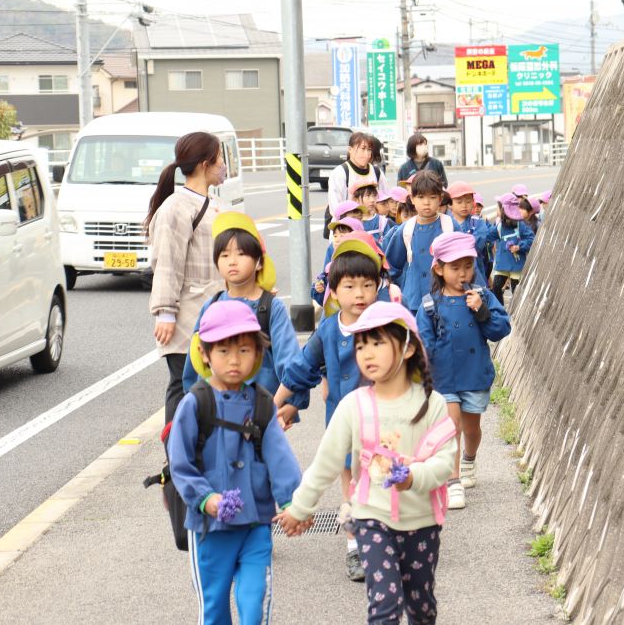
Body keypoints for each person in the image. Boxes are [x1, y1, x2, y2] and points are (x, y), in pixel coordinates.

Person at [274, 302, 456, 625]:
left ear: (409, 347)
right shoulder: (352, 406)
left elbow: (445, 461)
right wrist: (299, 508)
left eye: (377, 343)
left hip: (422, 523)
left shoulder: (433, 404)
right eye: (360, 346)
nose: (366, 354)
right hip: (372, 519)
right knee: (384, 605)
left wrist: (414, 476)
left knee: (422, 608)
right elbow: (325, 464)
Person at [167, 301, 302, 625]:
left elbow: (280, 459)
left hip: (255, 524)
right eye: (224, 351)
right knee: (214, 611)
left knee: (253, 605)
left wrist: (294, 503)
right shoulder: (194, 404)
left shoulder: (261, 403)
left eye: (244, 350)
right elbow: (180, 464)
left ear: (257, 354)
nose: (234, 360)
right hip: (209, 530)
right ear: (205, 354)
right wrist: (205, 499)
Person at [274, 244, 386, 582]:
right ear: (334, 291)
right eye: (349, 287)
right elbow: (302, 368)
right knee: (351, 486)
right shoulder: (327, 329)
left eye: (367, 285)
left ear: (377, 286)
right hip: (343, 424)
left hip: (385, 423)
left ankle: (386, 541)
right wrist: (274, 407)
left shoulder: (387, 324)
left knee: (382, 483)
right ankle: (355, 548)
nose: (360, 294)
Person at [181, 212, 308, 420]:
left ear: (259, 262)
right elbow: (195, 363)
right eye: (224, 255)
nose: (232, 261)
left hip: (262, 413)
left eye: (241, 254)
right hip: (217, 413)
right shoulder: (211, 306)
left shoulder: (270, 307)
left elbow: (290, 359)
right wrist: (192, 403)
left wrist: (294, 402)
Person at [417, 233, 511, 509]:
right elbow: (423, 343)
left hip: (474, 374)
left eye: (467, 266)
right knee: (451, 427)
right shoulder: (429, 304)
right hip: (443, 378)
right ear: (439, 269)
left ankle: (469, 459)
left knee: (472, 428)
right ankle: (452, 481)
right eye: (455, 268)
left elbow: (501, 330)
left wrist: (482, 311)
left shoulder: (481, 296)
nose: (463, 273)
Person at [145, 132, 226, 423]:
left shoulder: (212, 203)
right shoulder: (175, 208)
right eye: (220, 159)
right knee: (183, 386)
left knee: (202, 387)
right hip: (185, 316)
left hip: (209, 310)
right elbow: (167, 262)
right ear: (206, 164)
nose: (223, 166)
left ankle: (195, 454)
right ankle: (177, 458)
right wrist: (165, 312)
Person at [384, 170, 456, 314]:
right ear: (412, 198)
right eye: (421, 197)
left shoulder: (450, 226)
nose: (426, 202)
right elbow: (391, 266)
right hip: (414, 303)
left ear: (441, 198)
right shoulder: (405, 230)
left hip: (444, 299)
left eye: (433, 197)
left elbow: (466, 262)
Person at [325, 132, 390, 238]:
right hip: (345, 230)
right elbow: (335, 208)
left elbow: (384, 200)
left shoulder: (377, 172)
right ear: (350, 150)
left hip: (374, 228)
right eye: (362, 149)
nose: (367, 154)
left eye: (369, 150)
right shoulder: (340, 172)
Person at [489, 196, 535, 305]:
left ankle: (514, 311)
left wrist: (519, 246)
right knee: (496, 286)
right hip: (503, 263)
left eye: (498, 208)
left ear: (503, 210)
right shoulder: (499, 226)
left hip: (516, 264)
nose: (497, 211)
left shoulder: (520, 225)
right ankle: (500, 308)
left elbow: (531, 238)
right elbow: (488, 236)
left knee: (516, 290)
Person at [446, 181, 491, 288]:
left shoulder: (478, 222)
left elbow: (477, 244)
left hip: (474, 273)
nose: (464, 206)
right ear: (450, 204)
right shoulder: (445, 223)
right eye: (459, 202)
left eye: (468, 201)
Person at [312, 216, 364, 306]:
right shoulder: (331, 266)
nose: (337, 239)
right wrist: (320, 289)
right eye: (335, 236)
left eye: (342, 235)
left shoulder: (364, 264)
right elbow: (326, 302)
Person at [350, 175, 394, 245]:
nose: (372, 200)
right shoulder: (350, 223)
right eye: (367, 196)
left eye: (374, 196)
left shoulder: (383, 222)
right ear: (356, 199)